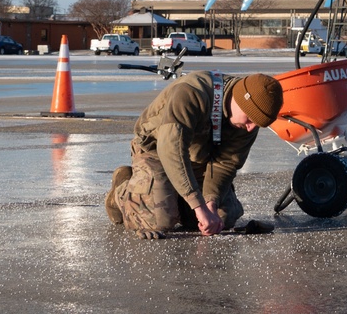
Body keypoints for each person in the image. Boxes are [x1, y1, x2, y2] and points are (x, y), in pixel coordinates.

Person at [105, 71, 284, 239]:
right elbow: (171, 151)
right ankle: (122, 189)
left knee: (222, 217)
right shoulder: (190, 93)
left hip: (198, 157)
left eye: (258, 124)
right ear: (239, 101)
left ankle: (173, 199)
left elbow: (226, 163)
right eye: (250, 119)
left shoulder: (248, 121)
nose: (251, 128)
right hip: (156, 151)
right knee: (159, 221)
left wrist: (210, 204)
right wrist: (198, 206)